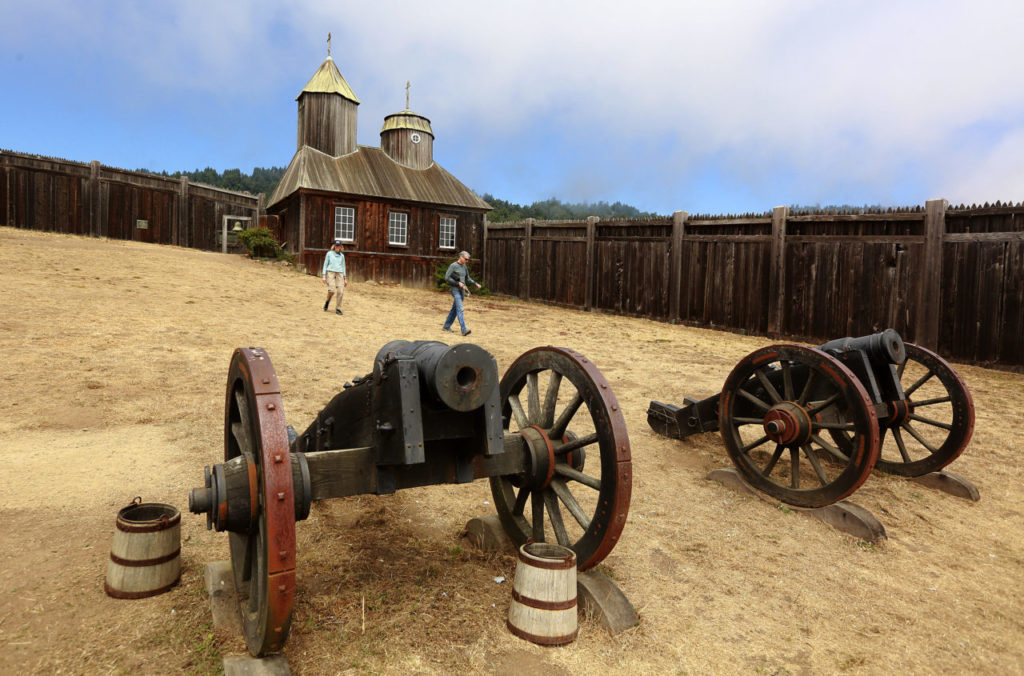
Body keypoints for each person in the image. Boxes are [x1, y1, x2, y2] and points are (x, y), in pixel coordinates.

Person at [442, 250, 481, 336]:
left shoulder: (464, 267)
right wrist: (457, 283)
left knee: (455, 310)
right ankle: (464, 330)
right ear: (461, 257)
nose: (467, 261)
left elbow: (467, 278)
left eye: (468, 260)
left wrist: (475, 284)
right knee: (460, 308)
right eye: (466, 259)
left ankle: (446, 326)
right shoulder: (453, 266)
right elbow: (447, 277)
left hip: (462, 291)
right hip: (455, 290)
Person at [321, 239, 347, 315]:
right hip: (330, 272)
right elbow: (325, 264)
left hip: (340, 273)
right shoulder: (329, 254)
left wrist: (345, 278)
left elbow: (343, 267)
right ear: (334, 246)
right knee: (332, 290)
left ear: (341, 247)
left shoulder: (342, 256)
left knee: (340, 291)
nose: (337, 247)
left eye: (339, 246)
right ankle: (327, 301)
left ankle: (338, 308)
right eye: (336, 245)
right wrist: (324, 276)